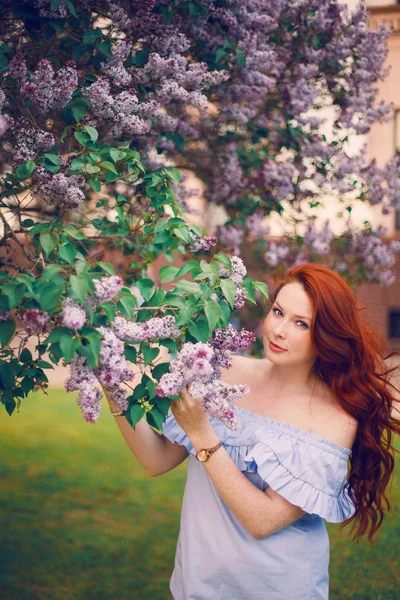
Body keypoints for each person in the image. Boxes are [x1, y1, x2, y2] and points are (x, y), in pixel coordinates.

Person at [105, 263, 400, 600]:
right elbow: (155, 460)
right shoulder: (225, 372)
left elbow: (263, 521)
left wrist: (202, 434)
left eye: (301, 323)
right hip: (199, 583)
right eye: (278, 312)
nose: (278, 330)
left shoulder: (333, 418)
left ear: (326, 337)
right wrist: (111, 382)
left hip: (278, 589)